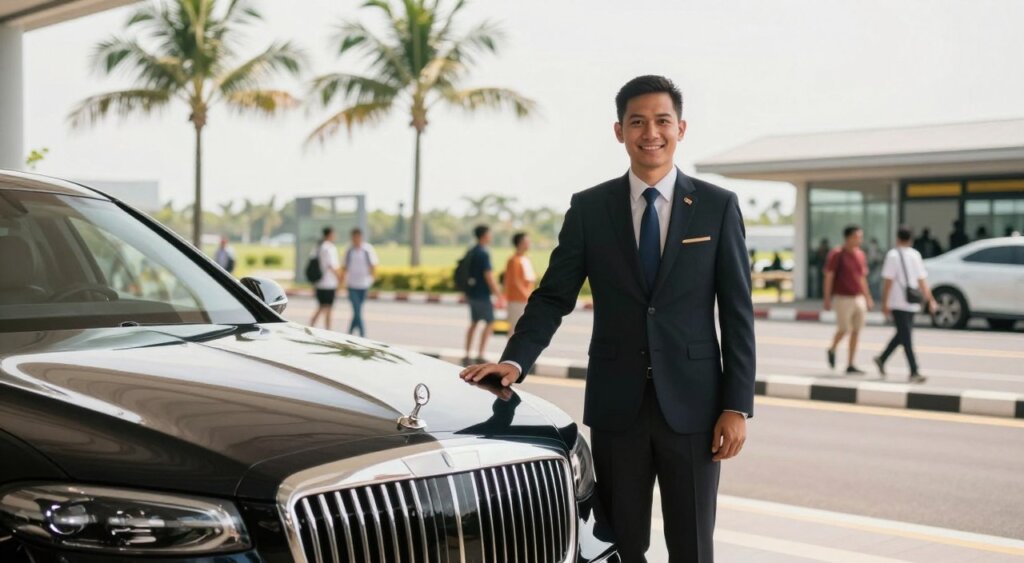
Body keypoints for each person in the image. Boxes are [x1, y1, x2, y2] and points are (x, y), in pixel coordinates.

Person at [461, 75, 755, 562]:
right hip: (619, 410)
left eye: (662, 121)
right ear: (619, 131)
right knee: (620, 544)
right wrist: (514, 362)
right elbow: (553, 296)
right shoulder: (590, 208)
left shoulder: (717, 206)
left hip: (696, 409)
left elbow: (738, 312)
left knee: (694, 546)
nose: (651, 133)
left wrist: (737, 405)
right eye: (637, 122)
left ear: (681, 128)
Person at [874, 226, 936, 384]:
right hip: (907, 302)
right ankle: (914, 371)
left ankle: (882, 358)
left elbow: (888, 281)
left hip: (899, 301)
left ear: (897, 238)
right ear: (911, 239)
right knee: (906, 336)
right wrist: (930, 299)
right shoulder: (915, 255)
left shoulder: (893, 255)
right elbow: (922, 281)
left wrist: (884, 302)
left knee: (903, 335)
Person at [824, 225, 873, 374]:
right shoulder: (836, 254)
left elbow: (862, 278)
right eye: (857, 237)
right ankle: (832, 349)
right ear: (848, 237)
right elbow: (829, 277)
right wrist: (827, 299)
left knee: (856, 331)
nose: (860, 240)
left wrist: (867, 297)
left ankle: (851, 364)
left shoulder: (860, 255)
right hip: (842, 298)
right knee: (844, 329)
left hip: (858, 297)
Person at [463, 225, 505, 364]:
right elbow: (488, 275)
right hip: (482, 295)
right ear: (484, 236)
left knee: (474, 323)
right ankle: (480, 354)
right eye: (489, 234)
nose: (491, 237)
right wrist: (498, 294)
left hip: (472, 294)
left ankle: (467, 354)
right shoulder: (483, 253)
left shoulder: (472, 251)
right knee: (490, 322)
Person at [341, 228, 378, 336]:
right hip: (352, 285)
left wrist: (372, 279)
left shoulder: (367, 249)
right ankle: (363, 336)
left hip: (363, 285)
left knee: (357, 312)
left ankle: (349, 334)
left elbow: (373, 265)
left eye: (358, 237)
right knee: (357, 311)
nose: (356, 239)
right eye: (354, 237)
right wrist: (341, 282)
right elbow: (344, 267)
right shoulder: (349, 251)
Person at [503, 232, 536, 337]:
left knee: (525, 330)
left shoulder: (526, 259)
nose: (529, 244)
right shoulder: (513, 260)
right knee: (515, 330)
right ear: (520, 243)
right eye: (527, 242)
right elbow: (515, 281)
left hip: (526, 299)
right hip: (517, 300)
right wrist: (527, 295)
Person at [308, 227, 341, 330]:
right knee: (328, 308)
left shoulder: (318, 247)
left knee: (322, 306)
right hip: (329, 283)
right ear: (330, 234)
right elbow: (332, 266)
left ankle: (312, 324)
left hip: (319, 282)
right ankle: (328, 329)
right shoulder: (330, 247)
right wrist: (340, 277)